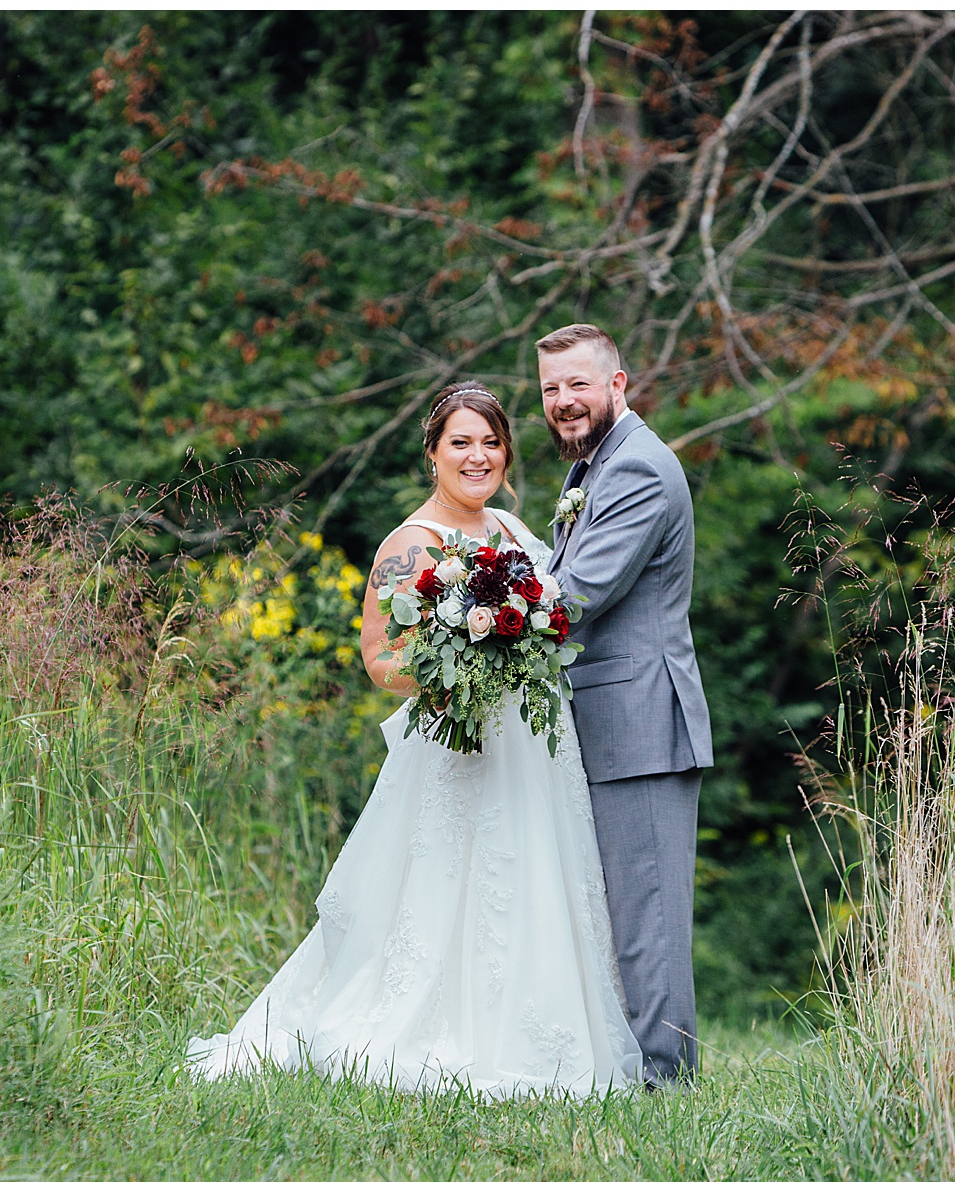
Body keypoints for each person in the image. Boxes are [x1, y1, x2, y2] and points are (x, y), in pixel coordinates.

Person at [186, 381, 643, 1097]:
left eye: (491, 442)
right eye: (461, 441)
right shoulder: (410, 544)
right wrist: (457, 674)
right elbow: (379, 658)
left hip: (534, 749)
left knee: (534, 875)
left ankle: (544, 1031)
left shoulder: (521, 535)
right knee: (445, 890)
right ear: (432, 452)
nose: (478, 455)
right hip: (459, 747)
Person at [538, 322, 712, 1088]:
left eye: (578, 384)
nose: (563, 401)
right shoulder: (594, 468)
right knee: (625, 909)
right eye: (549, 389)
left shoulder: (638, 467)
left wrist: (477, 617)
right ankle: (633, 1061)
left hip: (641, 718)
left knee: (649, 913)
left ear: (618, 384)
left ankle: (666, 1076)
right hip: (611, 716)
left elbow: (578, 594)